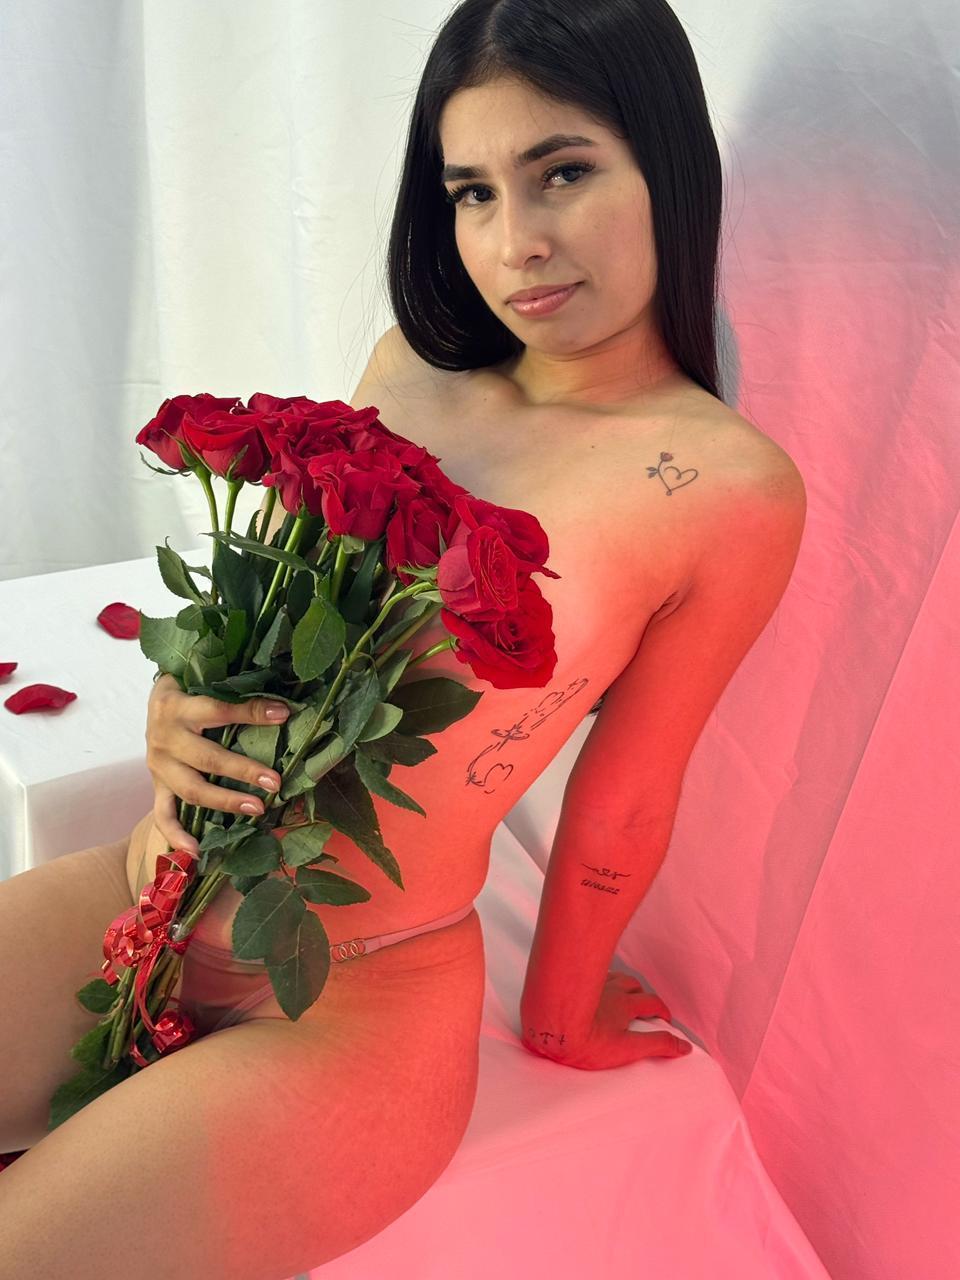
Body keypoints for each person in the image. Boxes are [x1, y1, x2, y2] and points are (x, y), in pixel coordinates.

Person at [0, 1, 806, 1274]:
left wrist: (560, 1018)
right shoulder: (410, 367)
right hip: (150, 886)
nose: (515, 241)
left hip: (356, 999)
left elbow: (627, 794)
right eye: (471, 192)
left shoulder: (725, 485)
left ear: (667, 159)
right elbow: (279, 633)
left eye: (563, 172)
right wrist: (175, 709)